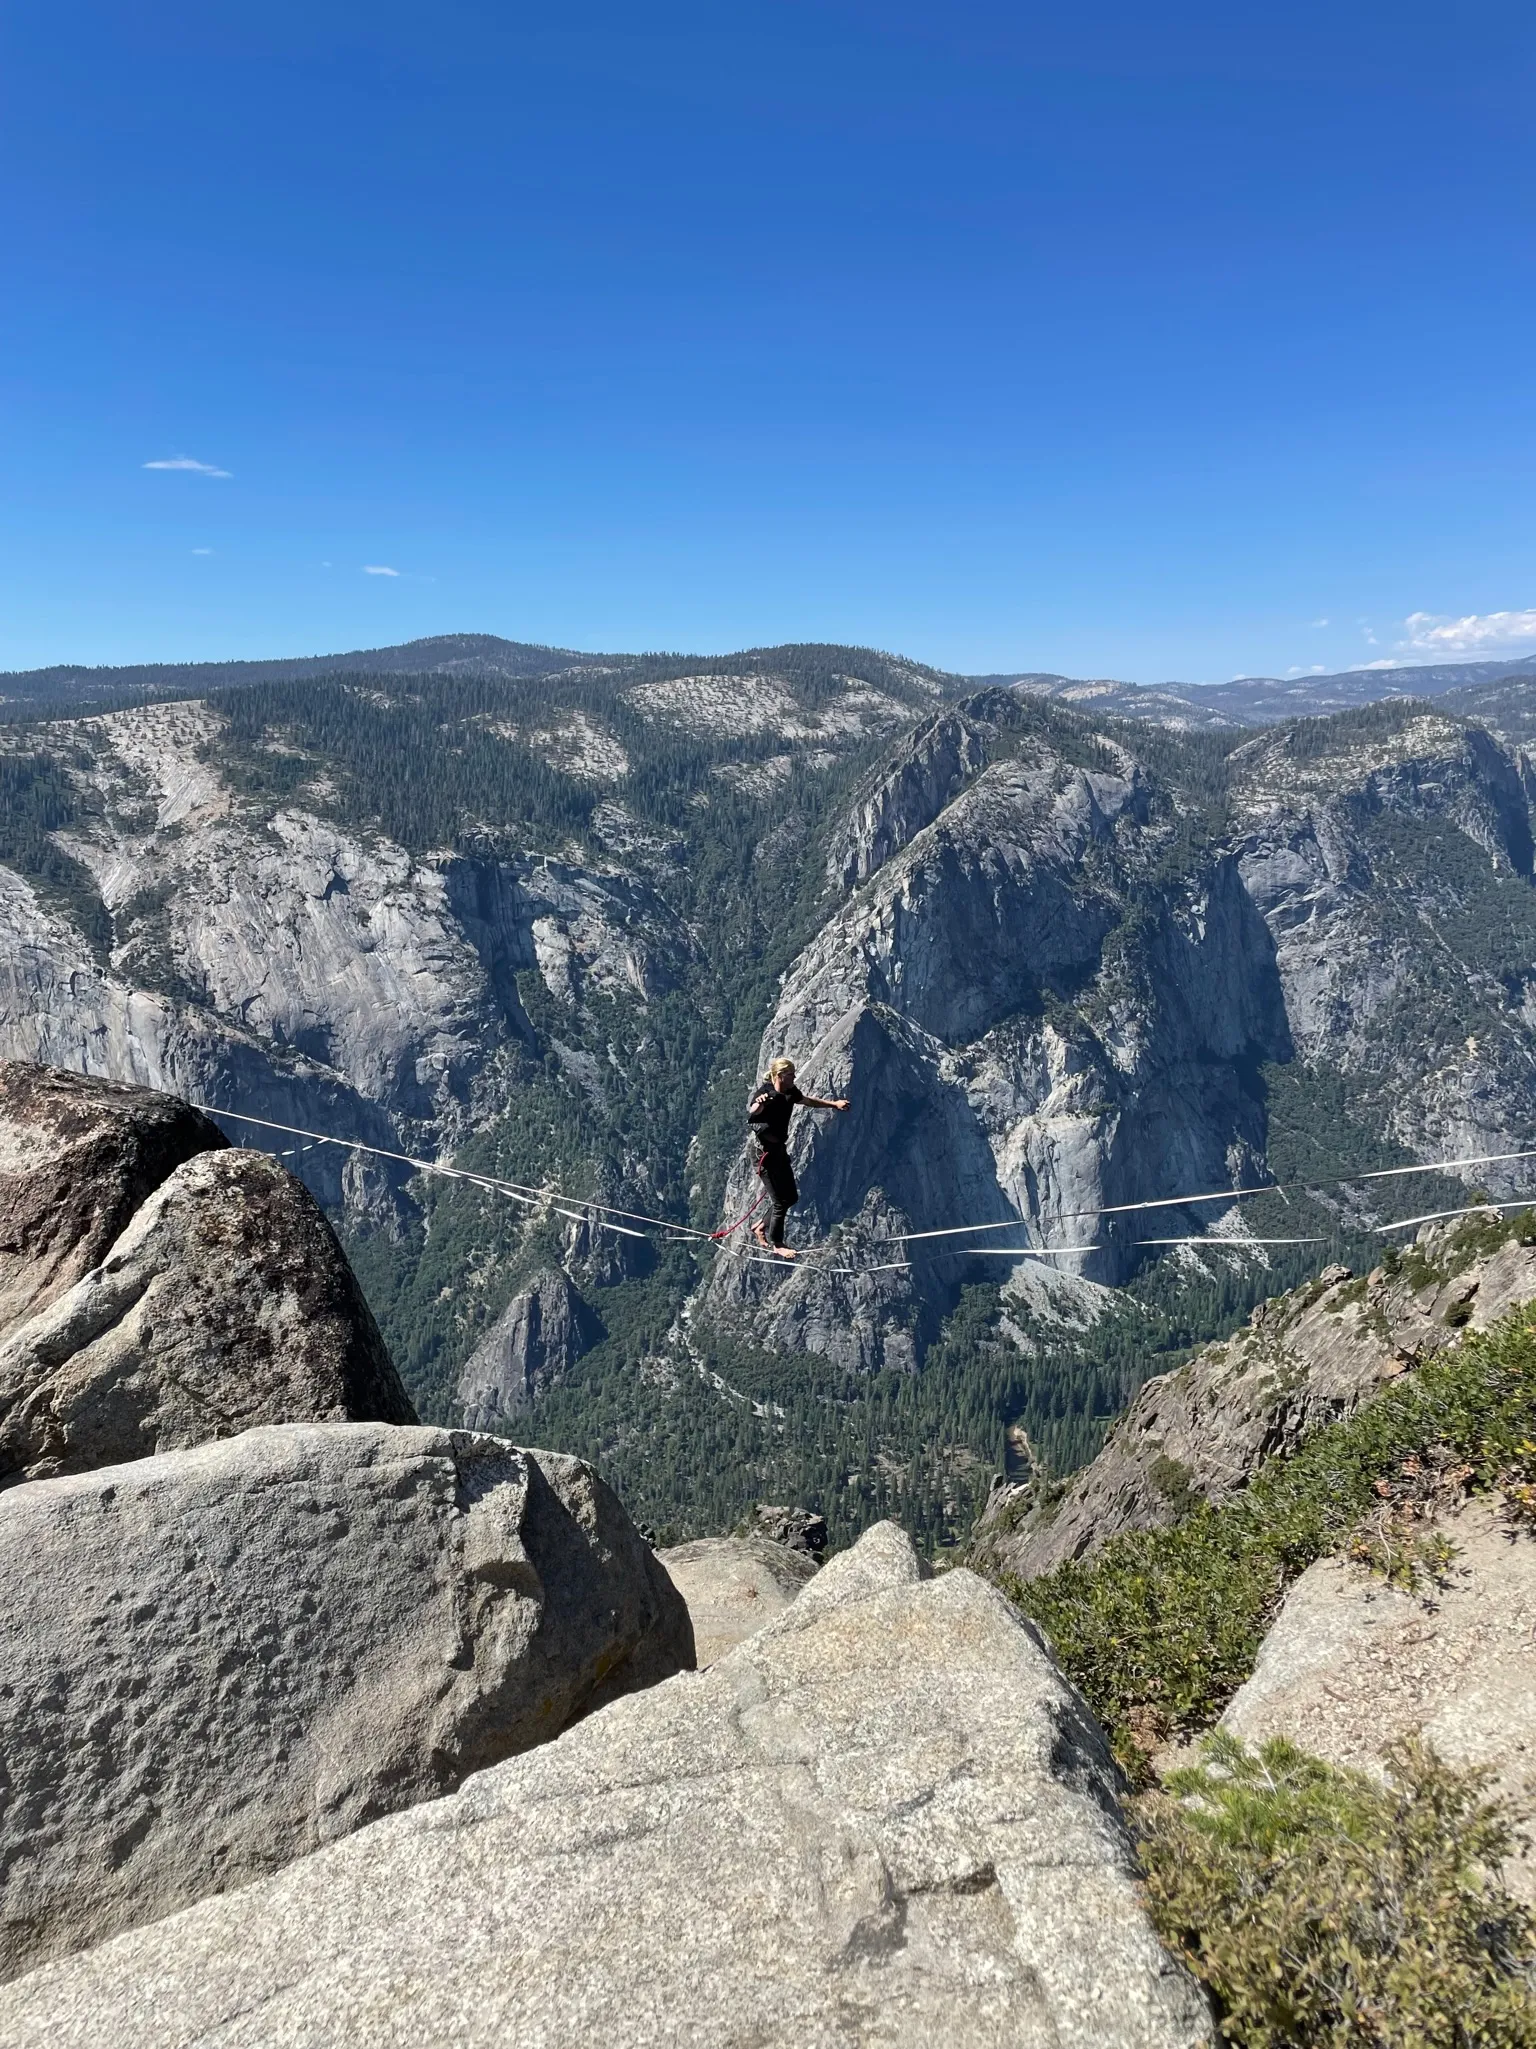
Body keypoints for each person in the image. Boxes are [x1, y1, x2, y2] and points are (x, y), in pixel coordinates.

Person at [746, 1056, 850, 1259]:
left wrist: (833, 1104)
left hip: (778, 1151)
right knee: (779, 1201)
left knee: (791, 1197)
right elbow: (753, 1111)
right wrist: (759, 1104)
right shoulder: (765, 1094)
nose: (794, 1077)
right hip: (763, 1155)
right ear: (779, 1076)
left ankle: (760, 1226)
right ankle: (777, 1243)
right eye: (790, 1074)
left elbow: (807, 1101)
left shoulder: (790, 1092)